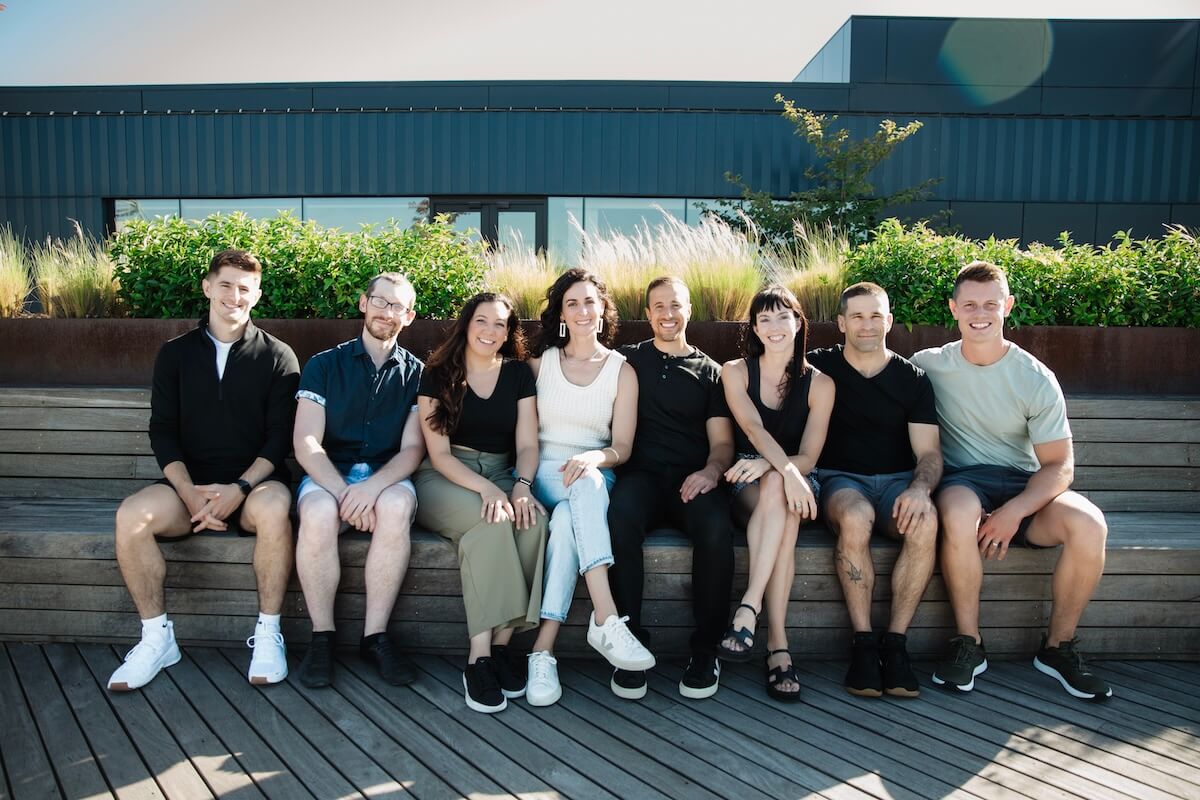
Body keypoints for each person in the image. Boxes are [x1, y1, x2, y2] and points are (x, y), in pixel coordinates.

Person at [912, 261, 1111, 700]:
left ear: (1008, 306)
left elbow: (1059, 465)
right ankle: (969, 644)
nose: (979, 313)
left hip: (1025, 487)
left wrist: (1014, 512)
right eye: (969, 305)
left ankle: (1058, 648)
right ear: (953, 309)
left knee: (1090, 524)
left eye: (990, 304)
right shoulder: (928, 366)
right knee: (960, 509)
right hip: (963, 482)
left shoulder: (1035, 377)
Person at [108, 249, 299, 691]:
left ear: (257, 295)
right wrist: (191, 493)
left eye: (245, 288)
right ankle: (157, 639)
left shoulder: (279, 356)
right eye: (226, 285)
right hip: (185, 490)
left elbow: (279, 439)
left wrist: (239, 487)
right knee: (130, 516)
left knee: (274, 510)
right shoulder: (174, 355)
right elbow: (163, 432)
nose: (235, 296)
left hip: (255, 487)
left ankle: (269, 635)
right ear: (207, 287)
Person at [523, 268, 655, 707]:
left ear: (603, 311)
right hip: (544, 474)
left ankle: (542, 652)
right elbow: (521, 438)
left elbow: (622, 447)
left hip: (597, 474)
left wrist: (593, 457)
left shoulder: (622, 371)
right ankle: (607, 617)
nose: (582, 310)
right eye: (572, 303)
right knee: (574, 496)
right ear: (561, 313)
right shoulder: (540, 365)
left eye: (589, 302)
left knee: (567, 522)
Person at [413, 292, 549, 713]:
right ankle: (478, 658)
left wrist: (522, 485)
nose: (491, 332)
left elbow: (527, 444)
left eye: (501, 325)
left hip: (504, 472)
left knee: (533, 522)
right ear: (467, 324)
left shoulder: (518, 375)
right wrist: (488, 490)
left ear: (509, 333)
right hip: (446, 476)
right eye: (483, 322)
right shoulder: (438, 373)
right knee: (492, 522)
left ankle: (503, 646)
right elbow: (437, 454)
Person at [807, 282, 941, 699]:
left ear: (890, 320)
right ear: (842, 323)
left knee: (925, 521)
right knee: (855, 516)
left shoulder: (912, 379)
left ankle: (896, 645)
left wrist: (920, 489)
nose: (868, 325)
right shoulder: (816, 367)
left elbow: (930, 454)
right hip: (838, 480)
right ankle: (864, 643)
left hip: (899, 482)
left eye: (877, 315)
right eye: (858, 316)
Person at [292, 272, 426, 689]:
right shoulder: (323, 365)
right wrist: (343, 493)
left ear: (410, 316)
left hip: (386, 475)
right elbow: (307, 441)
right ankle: (322, 637)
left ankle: (375, 636)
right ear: (363, 303)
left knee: (397, 506)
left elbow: (412, 450)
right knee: (316, 513)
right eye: (381, 302)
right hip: (330, 472)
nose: (388, 312)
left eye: (398, 306)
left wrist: (370, 490)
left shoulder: (419, 374)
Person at [607, 277, 736, 701]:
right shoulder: (626, 361)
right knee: (620, 518)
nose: (667, 314)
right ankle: (629, 641)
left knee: (718, 528)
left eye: (675, 305)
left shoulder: (710, 372)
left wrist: (711, 472)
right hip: (639, 476)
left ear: (689, 310)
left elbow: (721, 444)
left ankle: (706, 650)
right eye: (658, 306)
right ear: (647, 314)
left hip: (690, 479)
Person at [718, 285, 834, 701]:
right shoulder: (734, 371)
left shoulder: (821, 385)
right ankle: (778, 648)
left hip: (798, 478)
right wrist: (776, 468)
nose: (773, 326)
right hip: (745, 478)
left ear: (799, 322)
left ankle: (750, 609)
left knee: (781, 499)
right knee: (774, 492)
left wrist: (777, 468)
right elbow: (752, 429)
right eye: (763, 318)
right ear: (753, 327)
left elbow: (809, 456)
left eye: (782, 316)